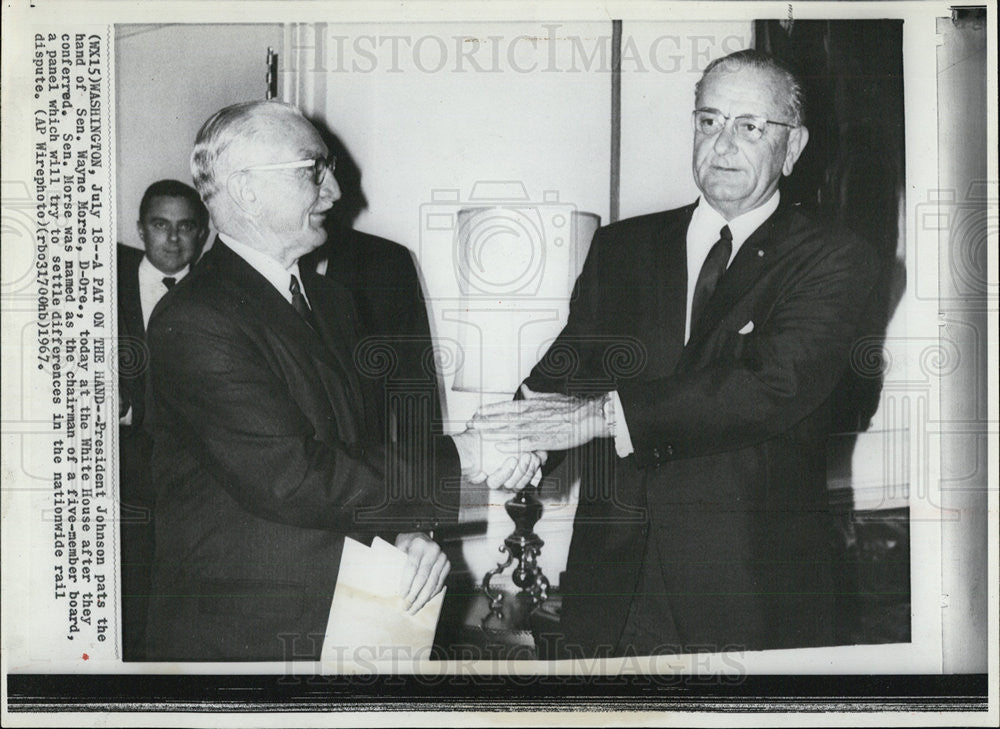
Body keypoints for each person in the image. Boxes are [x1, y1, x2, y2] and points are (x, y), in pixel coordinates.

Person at [471, 50, 881, 656]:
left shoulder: (833, 257)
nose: (723, 145)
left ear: (793, 147)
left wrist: (598, 416)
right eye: (709, 121)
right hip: (611, 589)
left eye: (750, 127)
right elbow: (564, 370)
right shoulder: (622, 247)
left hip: (749, 591)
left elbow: (767, 384)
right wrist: (514, 440)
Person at [143, 100, 538, 661]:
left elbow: (361, 450)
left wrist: (409, 531)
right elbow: (292, 476)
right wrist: (466, 455)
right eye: (313, 170)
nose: (332, 191)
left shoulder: (330, 301)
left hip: (347, 619)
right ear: (247, 191)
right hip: (239, 642)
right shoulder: (195, 318)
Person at [117, 179, 208, 660]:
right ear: (140, 230)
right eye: (160, 225)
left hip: (195, 472)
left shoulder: (218, 290)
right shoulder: (103, 279)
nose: (172, 239)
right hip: (122, 465)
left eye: (185, 227)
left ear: (202, 233)